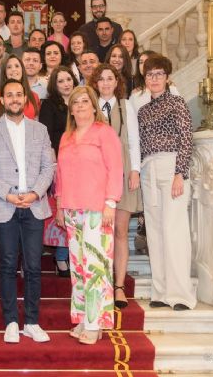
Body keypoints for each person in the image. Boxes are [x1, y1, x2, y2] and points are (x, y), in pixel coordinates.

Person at [0, 79, 56, 344]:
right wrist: (8, 194)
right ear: (2, 100)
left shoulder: (40, 130)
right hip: (4, 204)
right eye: (9, 95)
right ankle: (11, 321)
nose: (13, 99)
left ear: (26, 99)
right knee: (8, 264)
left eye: (18, 94)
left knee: (33, 266)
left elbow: (49, 166)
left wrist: (35, 193)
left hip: (34, 204)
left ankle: (32, 322)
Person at [55, 86, 123, 345]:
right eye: (76, 103)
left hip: (98, 209)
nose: (81, 106)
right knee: (79, 267)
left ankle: (95, 324)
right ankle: (84, 316)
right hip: (72, 209)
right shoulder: (66, 137)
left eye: (85, 101)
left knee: (96, 267)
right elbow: (60, 175)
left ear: (94, 106)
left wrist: (110, 203)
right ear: (70, 109)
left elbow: (116, 168)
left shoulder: (104, 133)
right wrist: (60, 205)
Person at [137, 55, 196, 312]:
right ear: (145, 79)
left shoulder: (177, 103)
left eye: (159, 74)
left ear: (167, 77)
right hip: (148, 170)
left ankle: (181, 294)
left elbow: (186, 138)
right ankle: (160, 291)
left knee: (174, 230)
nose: (154, 79)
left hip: (171, 167)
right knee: (155, 231)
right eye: (150, 75)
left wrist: (179, 173)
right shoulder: (142, 110)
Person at [89, 64, 142, 309]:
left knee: (120, 232)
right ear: (95, 83)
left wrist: (135, 170)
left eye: (110, 78)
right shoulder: (89, 106)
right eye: (101, 79)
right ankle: (101, 284)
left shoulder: (125, 105)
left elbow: (133, 140)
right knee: (100, 233)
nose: (106, 83)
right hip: (97, 176)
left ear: (116, 81)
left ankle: (119, 287)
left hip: (122, 172)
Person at [38, 66, 78, 277]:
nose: (66, 84)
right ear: (55, 84)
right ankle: (61, 257)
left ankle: (72, 254)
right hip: (58, 164)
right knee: (59, 212)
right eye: (61, 80)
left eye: (68, 79)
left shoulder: (80, 102)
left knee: (74, 211)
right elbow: (45, 134)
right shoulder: (49, 105)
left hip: (80, 166)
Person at [0, 54, 41, 122]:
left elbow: (36, 126)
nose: (13, 69)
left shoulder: (34, 96)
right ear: (5, 72)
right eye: (9, 67)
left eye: (17, 66)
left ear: (22, 70)